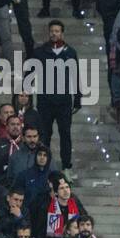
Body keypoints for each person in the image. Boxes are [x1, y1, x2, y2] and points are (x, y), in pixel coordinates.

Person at [32, 20, 82, 172]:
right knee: (45, 134)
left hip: (64, 102)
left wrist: (77, 98)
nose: (54, 33)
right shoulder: (40, 52)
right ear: (49, 32)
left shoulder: (70, 52)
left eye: (57, 31)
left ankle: (66, 166)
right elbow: (30, 74)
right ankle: (43, 165)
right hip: (45, 101)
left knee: (65, 134)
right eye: (52, 31)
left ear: (62, 33)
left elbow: (75, 75)